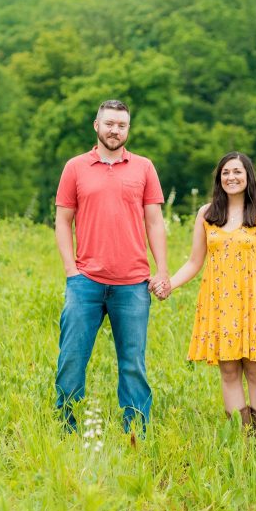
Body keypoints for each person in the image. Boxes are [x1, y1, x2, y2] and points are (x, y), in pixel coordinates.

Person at [53, 99, 169, 434]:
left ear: (127, 129)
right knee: (71, 359)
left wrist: (161, 271)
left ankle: (136, 432)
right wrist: (70, 271)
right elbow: (62, 222)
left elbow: (155, 223)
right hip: (85, 281)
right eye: (109, 124)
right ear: (96, 125)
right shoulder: (75, 167)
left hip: (133, 284)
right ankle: (66, 428)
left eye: (121, 125)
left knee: (133, 365)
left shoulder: (144, 168)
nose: (114, 130)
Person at [153, 151, 256, 432]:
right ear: (219, 178)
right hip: (219, 303)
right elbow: (194, 262)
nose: (231, 177)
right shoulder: (207, 214)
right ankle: (241, 435)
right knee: (228, 370)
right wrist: (169, 284)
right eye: (226, 172)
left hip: (253, 303)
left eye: (237, 172)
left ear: (248, 177)